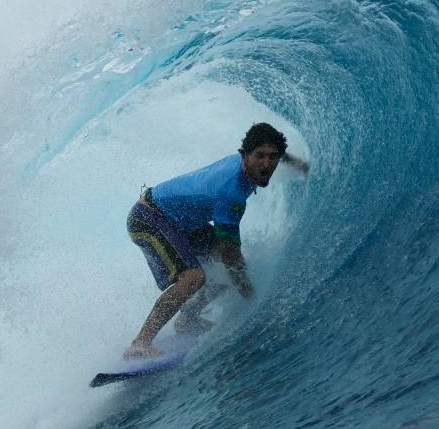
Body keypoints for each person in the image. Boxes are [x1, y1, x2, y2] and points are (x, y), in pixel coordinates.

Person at [123, 123, 309, 359]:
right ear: (245, 156)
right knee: (195, 277)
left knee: (227, 268)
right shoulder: (230, 192)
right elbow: (229, 252)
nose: (267, 164)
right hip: (149, 218)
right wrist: (250, 297)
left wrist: (301, 165)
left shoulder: (248, 165)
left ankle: (187, 319)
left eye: (273, 157)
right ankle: (140, 343)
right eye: (260, 156)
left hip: (181, 223)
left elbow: (229, 258)